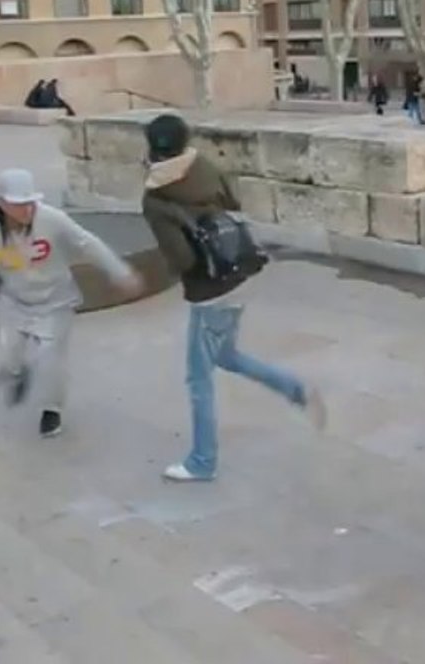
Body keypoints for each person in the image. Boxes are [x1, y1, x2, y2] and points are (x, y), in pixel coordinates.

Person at [140, 113, 326, 482]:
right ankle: (295, 389)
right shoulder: (204, 166)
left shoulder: (155, 198)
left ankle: (202, 461)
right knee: (226, 355)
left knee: (198, 379)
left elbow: (183, 259)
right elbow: (233, 201)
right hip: (242, 271)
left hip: (211, 291)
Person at [0, 169, 143, 437]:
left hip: (55, 301)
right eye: (19, 204)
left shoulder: (51, 219)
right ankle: (18, 374)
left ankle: (51, 410)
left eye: (30, 202)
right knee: (1, 366)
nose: (26, 210)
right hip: (15, 302)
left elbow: (87, 243)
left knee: (51, 362)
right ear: (1, 203)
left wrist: (120, 272)